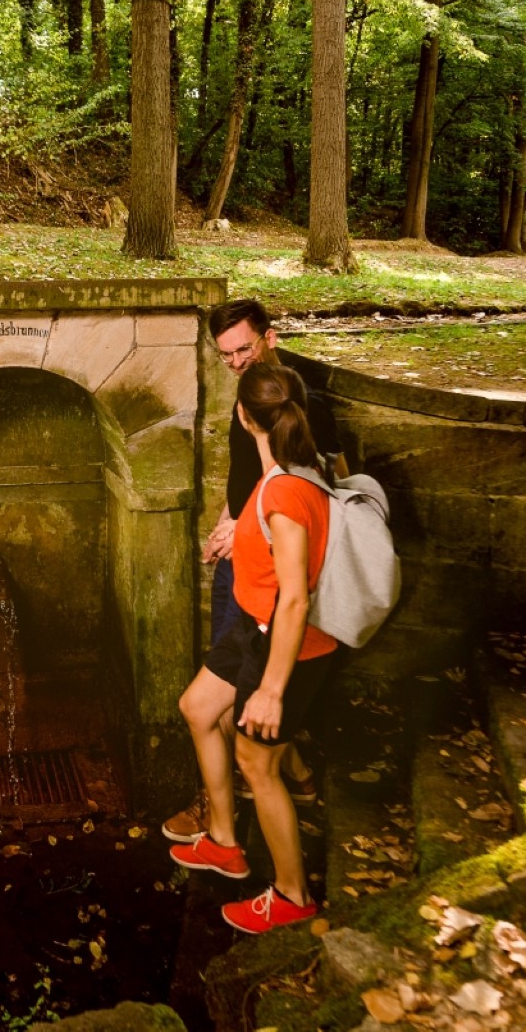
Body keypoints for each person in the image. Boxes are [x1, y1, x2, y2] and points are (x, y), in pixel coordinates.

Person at [170, 362, 336, 935]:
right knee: (197, 708)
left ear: (244, 417)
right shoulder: (281, 477)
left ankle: (292, 894)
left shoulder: (286, 493)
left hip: (285, 645)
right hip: (251, 627)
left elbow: (295, 600)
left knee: (257, 764)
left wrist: (270, 689)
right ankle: (223, 840)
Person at [162, 300, 316, 845]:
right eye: (224, 354)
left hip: (266, 572)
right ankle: (292, 778)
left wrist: (248, 522)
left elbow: (309, 476)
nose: (233, 362)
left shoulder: (290, 393)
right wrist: (229, 519)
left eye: (243, 350)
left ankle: (220, 809)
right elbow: (250, 470)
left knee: (219, 692)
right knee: (226, 681)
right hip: (242, 550)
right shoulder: (252, 388)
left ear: (270, 338)